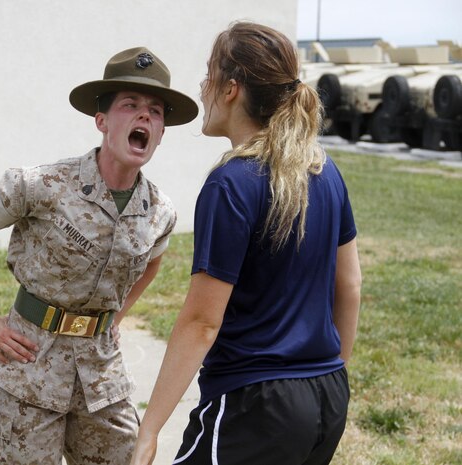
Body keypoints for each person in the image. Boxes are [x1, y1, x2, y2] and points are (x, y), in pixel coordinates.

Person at [0, 46, 198, 465]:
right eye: (130, 105)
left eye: (155, 111)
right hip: (28, 365)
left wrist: (118, 313)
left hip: (101, 375)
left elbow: (153, 261)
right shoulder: (41, 184)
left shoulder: (160, 211)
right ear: (101, 121)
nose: (145, 117)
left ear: (162, 131)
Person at [130, 22, 362, 465]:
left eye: (208, 75)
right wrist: (329, 376)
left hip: (255, 406)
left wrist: (150, 429)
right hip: (327, 399)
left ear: (231, 88)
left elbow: (201, 322)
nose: (202, 88)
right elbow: (349, 284)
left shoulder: (231, 183)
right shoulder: (324, 170)